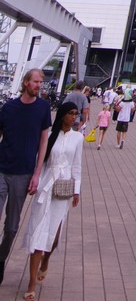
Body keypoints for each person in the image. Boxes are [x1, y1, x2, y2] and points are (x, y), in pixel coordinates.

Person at [22, 102, 83, 300]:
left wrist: (76, 190)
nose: (74, 117)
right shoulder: (48, 136)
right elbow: (39, 161)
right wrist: (34, 181)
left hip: (63, 189)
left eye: (76, 114)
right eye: (70, 113)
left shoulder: (78, 138)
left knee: (54, 238)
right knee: (38, 235)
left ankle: (46, 261)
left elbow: (77, 165)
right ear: (62, 115)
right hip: (45, 186)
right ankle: (31, 284)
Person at [0, 69, 52, 285]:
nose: (39, 85)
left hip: (23, 174)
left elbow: (43, 141)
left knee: (11, 227)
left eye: (41, 82)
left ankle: (1, 259)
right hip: (2, 169)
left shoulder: (43, 108)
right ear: (26, 82)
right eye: (36, 81)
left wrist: (37, 173)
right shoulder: (8, 108)